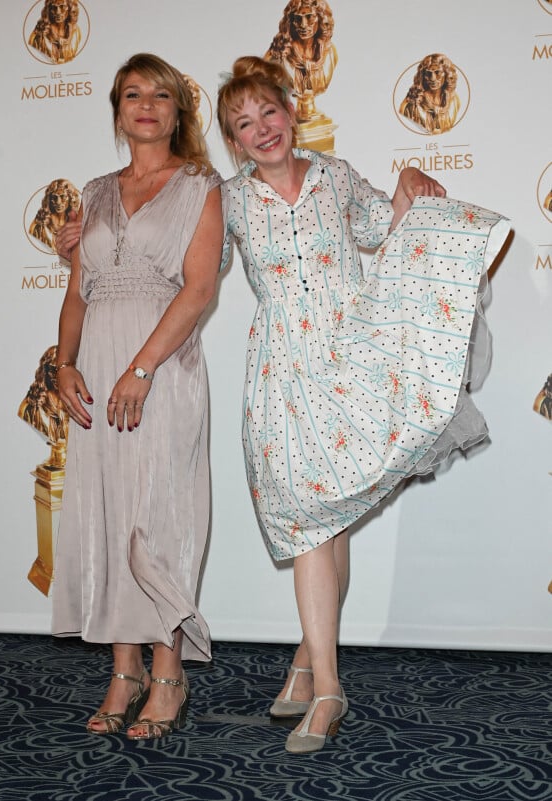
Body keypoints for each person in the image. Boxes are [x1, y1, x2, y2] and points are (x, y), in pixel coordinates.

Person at [217, 56, 509, 753]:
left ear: (291, 110)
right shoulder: (226, 201)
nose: (262, 130)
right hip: (281, 375)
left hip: (352, 365)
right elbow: (186, 269)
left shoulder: (336, 176)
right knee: (317, 524)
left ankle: (323, 685)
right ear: (232, 139)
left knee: (330, 520)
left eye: (269, 112)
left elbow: (388, 229)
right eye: (243, 123)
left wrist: (408, 181)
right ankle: (315, 670)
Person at [52, 52, 224, 741]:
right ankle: (123, 671)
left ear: (180, 111)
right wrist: (62, 364)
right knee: (109, 511)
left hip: (163, 370)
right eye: (131, 94)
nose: (145, 104)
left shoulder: (201, 185)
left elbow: (200, 288)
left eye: (160, 94)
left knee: (159, 516)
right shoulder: (92, 192)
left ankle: (167, 671)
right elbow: (76, 293)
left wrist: (143, 369)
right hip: (95, 369)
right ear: (118, 110)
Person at [265, 0, 337, 122]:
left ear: (320, 19)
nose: (303, 25)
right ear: (290, 22)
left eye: (309, 17)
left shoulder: (329, 53)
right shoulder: (279, 54)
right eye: (297, 18)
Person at [399, 53, 461, 135]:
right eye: (428, 73)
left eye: (437, 72)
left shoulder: (454, 100)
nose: (432, 78)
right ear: (423, 75)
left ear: (447, 74)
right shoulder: (414, 101)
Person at [28, 178, 80, 253]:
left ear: (71, 198)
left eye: (63, 197)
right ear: (49, 199)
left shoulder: (77, 223)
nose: (58, 202)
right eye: (54, 197)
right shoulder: (39, 225)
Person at [28, 0, 82, 64]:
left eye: (62, 7)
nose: (58, 12)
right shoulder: (39, 32)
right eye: (54, 8)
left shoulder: (75, 32)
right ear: (49, 9)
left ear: (70, 9)